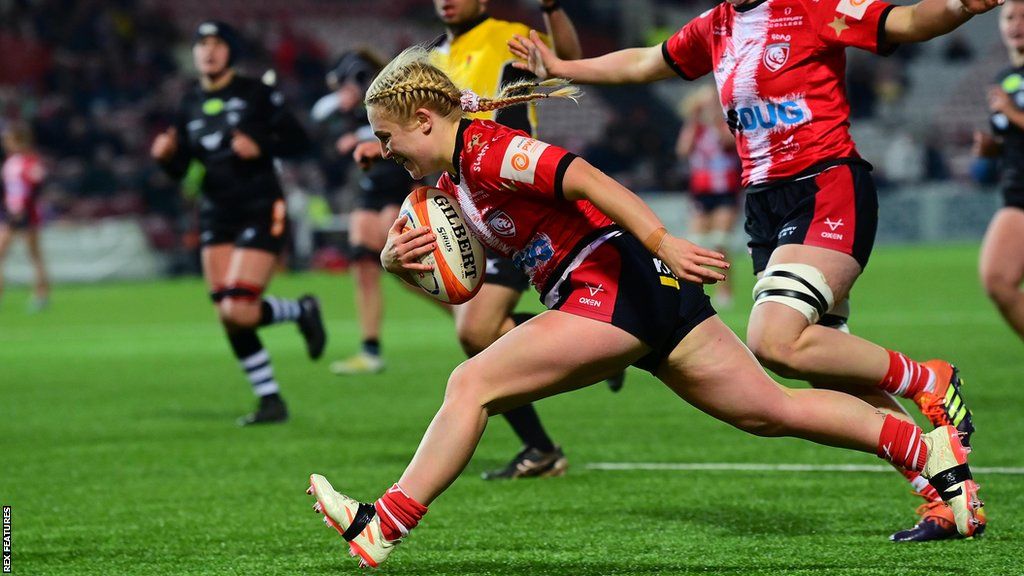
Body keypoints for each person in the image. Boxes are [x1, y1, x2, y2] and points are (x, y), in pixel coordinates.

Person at [304, 48, 983, 569]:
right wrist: (399, 265)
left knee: (471, 383)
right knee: (770, 410)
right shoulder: (454, 176)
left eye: (388, 138)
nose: (384, 152)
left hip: (615, 281)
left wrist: (663, 239)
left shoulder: (490, 151)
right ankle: (934, 459)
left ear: (424, 119)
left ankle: (383, 524)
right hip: (635, 289)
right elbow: (464, 285)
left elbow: (586, 177)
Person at [508, 0, 999, 542]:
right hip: (766, 205)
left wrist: (958, 7)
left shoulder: (811, 9)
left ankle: (929, 379)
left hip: (826, 188)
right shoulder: (716, 25)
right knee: (828, 369)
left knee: (774, 341)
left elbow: (902, 22)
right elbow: (646, 62)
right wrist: (562, 67)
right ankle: (949, 498)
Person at [351, 0, 597, 480]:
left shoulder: (506, 35)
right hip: (464, 198)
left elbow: (568, 62)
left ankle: (592, 337)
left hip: (508, 191)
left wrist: (550, 9)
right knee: (463, 315)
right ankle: (591, 334)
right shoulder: (428, 58)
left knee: (475, 332)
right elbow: (422, 131)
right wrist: (383, 149)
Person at [151, 21, 326, 425]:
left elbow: (301, 141)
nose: (209, 52)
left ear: (230, 51)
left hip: (259, 205)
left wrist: (260, 145)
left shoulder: (256, 93)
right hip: (215, 210)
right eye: (201, 44)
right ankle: (270, 400)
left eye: (217, 44)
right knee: (227, 314)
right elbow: (183, 170)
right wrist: (166, 158)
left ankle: (301, 310)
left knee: (239, 309)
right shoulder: (188, 101)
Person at [312, 50, 418, 375]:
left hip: (398, 184)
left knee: (407, 270)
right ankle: (370, 349)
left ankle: (465, 314)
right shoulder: (341, 111)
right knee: (362, 264)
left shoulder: (394, 99)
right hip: (367, 189)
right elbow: (325, 133)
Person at [976, 0, 1024, 342]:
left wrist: (1012, 112)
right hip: (1018, 192)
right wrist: (992, 147)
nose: (1016, 24)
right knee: (997, 279)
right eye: (1009, 17)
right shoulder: (1006, 77)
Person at [675, 85, 742, 309]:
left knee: (720, 240)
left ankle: (726, 290)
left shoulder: (724, 124)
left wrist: (715, 117)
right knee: (696, 242)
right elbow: (683, 150)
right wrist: (694, 119)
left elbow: (728, 142)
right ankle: (695, 292)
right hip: (701, 191)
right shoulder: (696, 128)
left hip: (725, 189)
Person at [0, 122, 50, 312]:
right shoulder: (11, 162)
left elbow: (35, 186)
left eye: (9, 140)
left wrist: (23, 206)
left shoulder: (30, 161)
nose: (6, 144)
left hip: (26, 213)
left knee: (34, 255)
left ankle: (41, 295)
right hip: (11, 212)